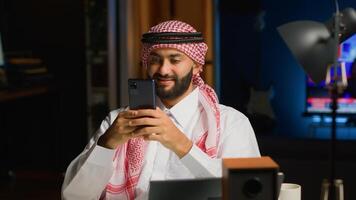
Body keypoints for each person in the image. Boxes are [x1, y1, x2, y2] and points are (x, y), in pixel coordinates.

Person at [61, 20, 260, 200]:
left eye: (175, 60)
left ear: (197, 66)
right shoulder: (118, 120)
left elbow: (246, 192)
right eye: (155, 59)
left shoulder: (230, 123)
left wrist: (182, 145)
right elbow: (73, 196)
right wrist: (107, 144)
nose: (163, 70)